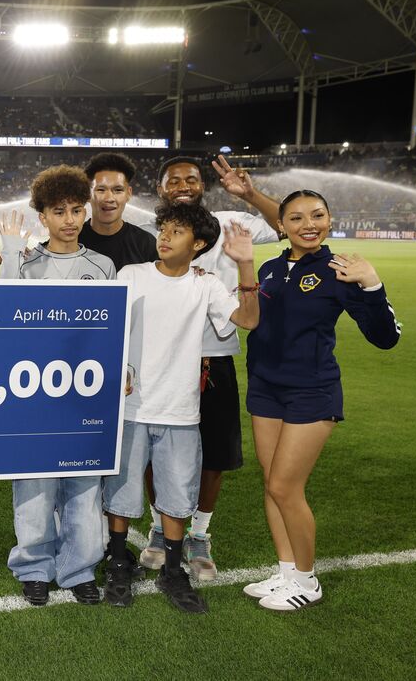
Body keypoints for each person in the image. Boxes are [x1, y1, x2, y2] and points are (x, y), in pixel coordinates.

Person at [243, 190, 400, 611]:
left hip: (311, 390)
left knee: (285, 486)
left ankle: (308, 581)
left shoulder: (339, 269)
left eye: (317, 215)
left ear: (330, 219)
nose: (308, 224)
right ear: (282, 226)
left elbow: (385, 338)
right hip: (265, 388)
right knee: (270, 482)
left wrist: (372, 284)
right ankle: (287, 570)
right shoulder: (270, 268)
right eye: (296, 218)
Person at [103, 203, 259, 613]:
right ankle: (118, 563)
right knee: (119, 492)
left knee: (176, 496)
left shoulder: (205, 285)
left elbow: (248, 319)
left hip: (180, 410)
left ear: (200, 244)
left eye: (178, 231)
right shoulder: (131, 275)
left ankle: (174, 570)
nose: (165, 236)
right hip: (130, 407)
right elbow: (106, 328)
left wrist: (246, 265)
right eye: (164, 228)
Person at [135, 155, 280, 581]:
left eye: (192, 178)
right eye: (173, 179)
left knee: (213, 453)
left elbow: (287, 223)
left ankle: (199, 533)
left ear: (203, 185)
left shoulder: (233, 221)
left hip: (212, 356)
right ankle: (161, 529)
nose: (183, 184)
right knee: (153, 448)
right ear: (160, 189)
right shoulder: (151, 233)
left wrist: (250, 193)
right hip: (156, 358)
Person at [0, 165, 114, 608]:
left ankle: (79, 568)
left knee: (84, 487)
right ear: (42, 217)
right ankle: (34, 568)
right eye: (57, 211)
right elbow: (5, 316)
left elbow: (110, 329)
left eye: (75, 210)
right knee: (35, 486)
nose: (68, 218)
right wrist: (10, 255)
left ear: (85, 213)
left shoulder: (102, 265)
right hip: (35, 394)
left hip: (84, 394)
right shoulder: (27, 264)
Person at [78, 152, 158, 270]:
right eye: (101, 190)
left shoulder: (145, 243)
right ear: (88, 194)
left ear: (129, 193)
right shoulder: (72, 240)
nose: (109, 198)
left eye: (118, 190)